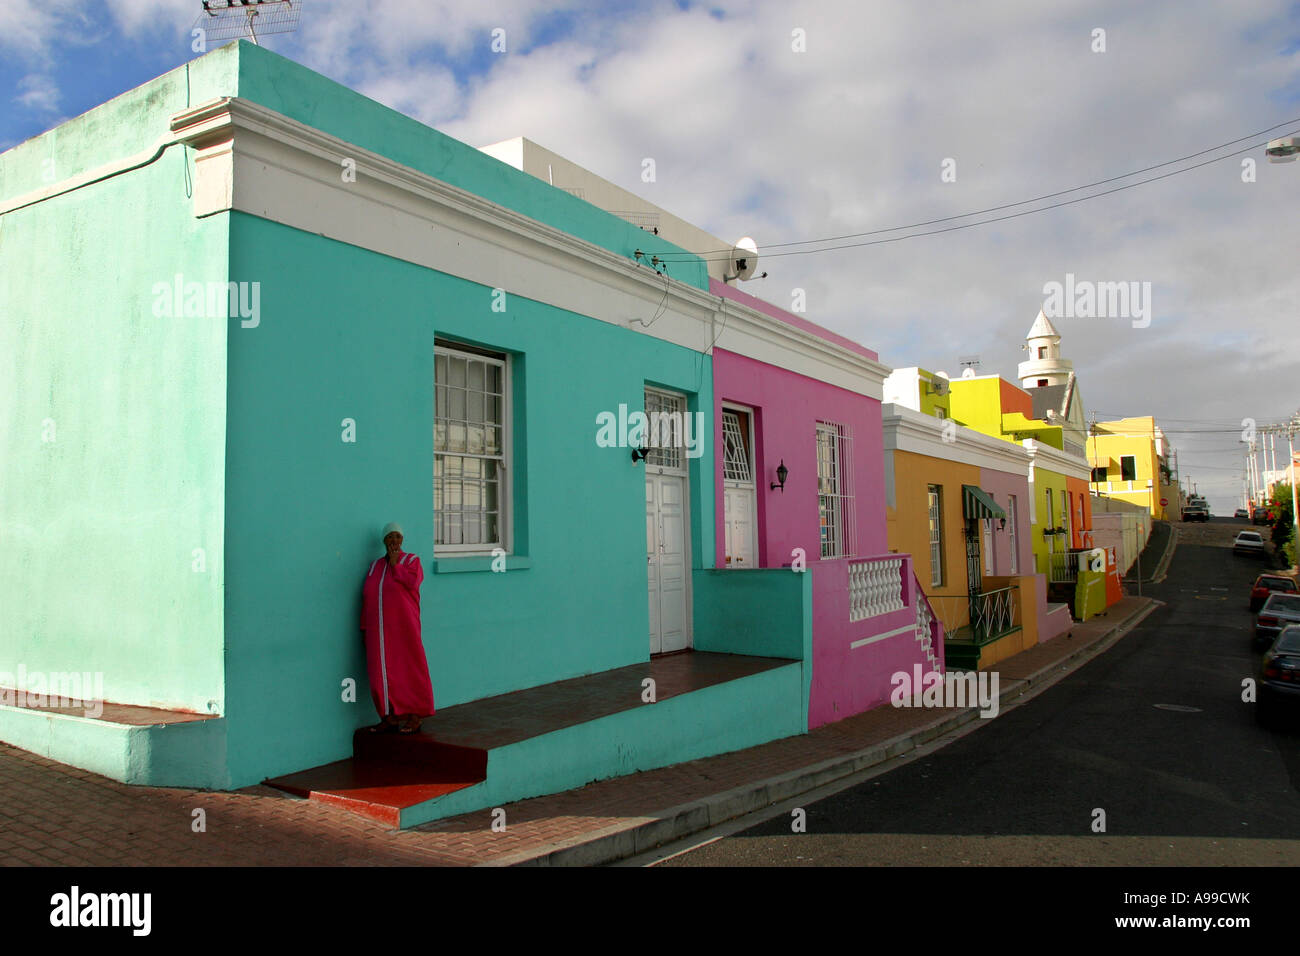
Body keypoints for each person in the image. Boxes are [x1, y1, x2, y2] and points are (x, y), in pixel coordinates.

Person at [360, 522, 435, 734]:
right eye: (390, 537)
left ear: (402, 540)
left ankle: (415, 715)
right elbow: (367, 596)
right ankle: (388, 716)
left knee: (409, 669)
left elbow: (413, 583)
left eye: (397, 537)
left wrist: (396, 565)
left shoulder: (411, 560)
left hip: (404, 628)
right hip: (378, 631)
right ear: (384, 541)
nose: (394, 541)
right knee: (379, 673)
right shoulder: (375, 566)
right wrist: (364, 627)